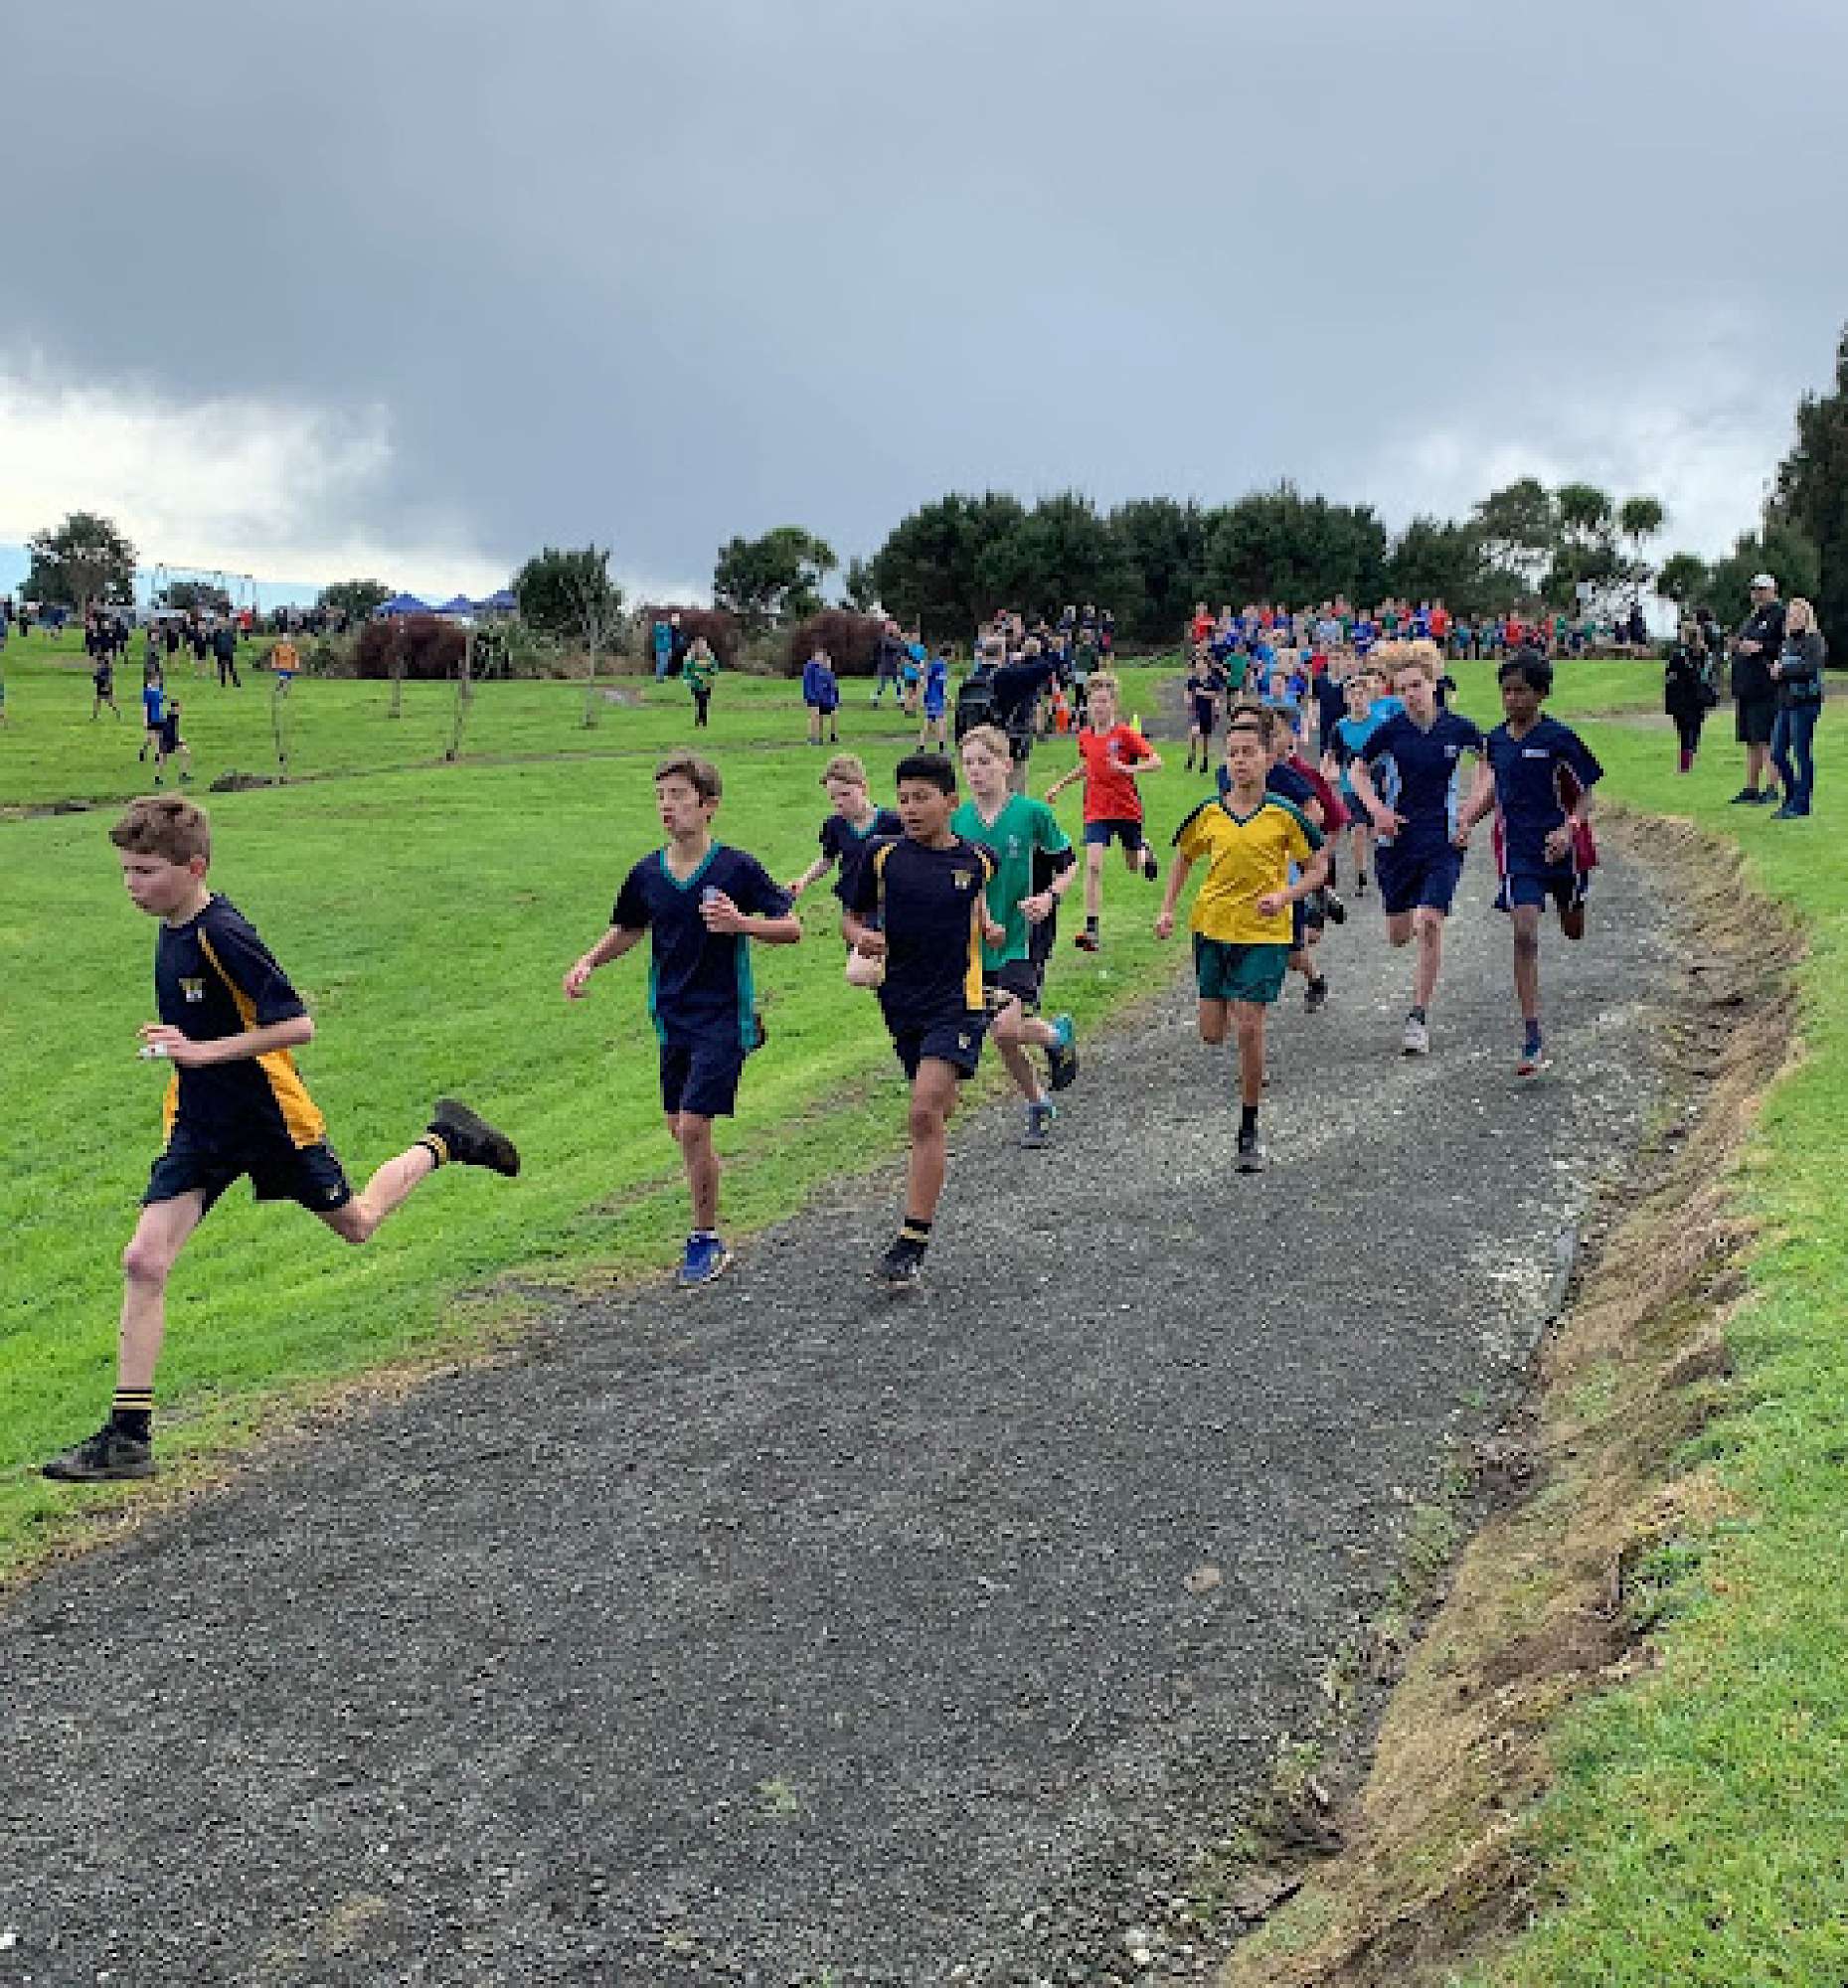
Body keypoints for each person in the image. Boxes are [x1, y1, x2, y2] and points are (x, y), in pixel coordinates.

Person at [40, 795, 521, 1484]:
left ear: (193, 868)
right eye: (125, 870)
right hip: (201, 1124)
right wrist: (181, 1049)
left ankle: (445, 1139)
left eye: (145, 871)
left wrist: (203, 1051)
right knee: (144, 1260)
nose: (131, 885)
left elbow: (297, 1025)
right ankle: (128, 1438)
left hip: (271, 1119)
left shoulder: (223, 933)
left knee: (357, 1224)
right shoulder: (173, 926)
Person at [563, 752, 801, 1287]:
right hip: (672, 1018)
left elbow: (791, 928)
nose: (666, 807)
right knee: (683, 1131)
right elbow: (629, 928)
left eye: (677, 796)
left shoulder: (735, 868)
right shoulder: (647, 873)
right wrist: (588, 961)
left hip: (723, 1015)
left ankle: (705, 1239)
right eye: (660, 797)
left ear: (708, 805)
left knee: (693, 1126)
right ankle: (707, 1194)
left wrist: (741, 924)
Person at [843, 753, 999, 1290]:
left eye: (922, 798)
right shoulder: (880, 855)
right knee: (937, 1108)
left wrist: (993, 930)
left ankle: (911, 1241)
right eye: (903, 798)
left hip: (959, 1001)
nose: (909, 808)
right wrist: (860, 937)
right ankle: (942, 1102)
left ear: (950, 802)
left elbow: (979, 906)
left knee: (923, 1111)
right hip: (900, 1002)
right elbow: (851, 917)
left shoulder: (979, 860)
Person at [1156, 714, 1329, 1171]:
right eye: (1232, 754)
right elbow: (1184, 857)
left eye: (1248, 753)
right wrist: (1167, 909)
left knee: (1250, 1025)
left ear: (1268, 758)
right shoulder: (1210, 813)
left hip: (1264, 934)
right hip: (1212, 929)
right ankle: (1242, 1021)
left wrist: (1286, 896)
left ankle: (1248, 1130)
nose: (1239, 761)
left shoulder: (1284, 814)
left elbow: (1318, 869)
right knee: (1213, 1034)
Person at [1457, 652, 1602, 1077]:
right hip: (1518, 852)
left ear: (1541, 693)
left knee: (1573, 930)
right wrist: (1467, 820)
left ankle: (1573, 899)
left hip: (1562, 851)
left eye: (1521, 691)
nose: (1512, 699)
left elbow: (1586, 794)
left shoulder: (1560, 739)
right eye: (1506, 691)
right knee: (1523, 933)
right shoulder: (1495, 742)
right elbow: (1495, 792)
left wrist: (1569, 829)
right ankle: (1532, 1034)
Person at [1345, 648, 1485, 1056]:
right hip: (1397, 843)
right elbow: (1357, 770)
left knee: (1430, 922)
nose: (1410, 694)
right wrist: (1376, 810)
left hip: (1443, 840)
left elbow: (1487, 761)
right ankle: (1407, 922)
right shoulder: (1390, 732)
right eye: (1403, 688)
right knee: (1399, 934)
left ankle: (1418, 1017)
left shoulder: (1457, 728)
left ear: (1433, 684)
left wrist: (1471, 809)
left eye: (1417, 686)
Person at [951, 726, 1080, 1149]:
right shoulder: (957, 822)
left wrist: (1048, 897)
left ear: (1006, 765)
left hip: (1023, 937)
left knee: (1005, 1030)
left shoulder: (1032, 814)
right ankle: (1050, 1056)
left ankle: (1039, 1096)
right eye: (968, 763)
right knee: (1003, 1034)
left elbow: (1069, 863)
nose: (975, 771)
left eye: (984, 762)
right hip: (977, 943)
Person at [1043, 673, 1162, 952]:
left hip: (1126, 808)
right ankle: (1091, 929)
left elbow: (1156, 761)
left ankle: (1144, 850)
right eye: (1094, 701)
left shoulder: (1125, 734)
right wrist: (1060, 785)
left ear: (1113, 704)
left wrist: (1127, 768)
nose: (1098, 707)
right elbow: (1088, 766)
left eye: (1104, 701)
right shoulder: (1084, 736)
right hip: (1096, 809)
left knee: (1133, 865)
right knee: (1093, 865)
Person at [784, 752, 900, 912]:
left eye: (845, 794)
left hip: (885, 902)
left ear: (863, 788)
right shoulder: (835, 825)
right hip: (852, 902)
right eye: (833, 797)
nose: (839, 802)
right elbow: (827, 859)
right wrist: (803, 881)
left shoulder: (893, 822)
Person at [1728, 573, 1785, 805]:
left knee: (1767, 739)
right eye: (1755, 589)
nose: (1757, 594)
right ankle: (1751, 787)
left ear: (1773, 590)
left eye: (1762, 589)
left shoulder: (1780, 615)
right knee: (1751, 740)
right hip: (1747, 688)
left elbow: (1784, 646)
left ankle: (1772, 788)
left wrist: (1760, 648)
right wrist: (1737, 645)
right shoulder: (1752, 617)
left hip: (1766, 688)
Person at [1769, 596, 1828, 819]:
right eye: (1790, 614)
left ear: (1807, 616)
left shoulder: (1815, 640)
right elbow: (1785, 668)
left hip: (1805, 704)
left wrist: (1783, 670)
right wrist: (1776, 672)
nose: (1793, 618)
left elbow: (1810, 668)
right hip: (1786, 703)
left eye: (1798, 614)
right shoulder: (1787, 642)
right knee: (1777, 753)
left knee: (1801, 753)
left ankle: (1802, 804)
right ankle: (1792, 795)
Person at [1663, 619, 1718, 773]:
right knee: (1694, 729)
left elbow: (1670, 674)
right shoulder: (1706, 655)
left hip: (1681, 698)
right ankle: (1690, 756)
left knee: (1684, 732)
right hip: (1699, 698)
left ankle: (1685, 764)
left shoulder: (1679, 655)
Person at [1183, 647, 1225, 773]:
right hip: (1196, 711)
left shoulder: (1212, 680)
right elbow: (1187, 692)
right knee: (1194, 732)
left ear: (1206, 665)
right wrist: (1188, 699)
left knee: (1205, 737)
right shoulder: (1193, 680)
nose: (1199, 666)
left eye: (1201, 663)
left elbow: (1218, 695)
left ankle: (1205, 761)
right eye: (1197, 664)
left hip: (1208, 711)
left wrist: (1204, 693)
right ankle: (1191, 757)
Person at [800, 643, 841, 746]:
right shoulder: (810, 667)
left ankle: (819, 737)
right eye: (819, 656)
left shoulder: (822, 669)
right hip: (812, 696)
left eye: (822, 656)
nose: (821, 658)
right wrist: (810, 695)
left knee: (820, 717)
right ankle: (813, 737)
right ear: (814, 656)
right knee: (814, 717)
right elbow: (808, 682)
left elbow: (830, 685)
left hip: (822, 697)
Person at [152, 697, 192, 786]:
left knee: (186, 753)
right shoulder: (169, 717)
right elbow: (162, 730)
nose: (181, 709)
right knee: (162, 760)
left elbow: (174, 731)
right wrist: (159, 743)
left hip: (173, 740)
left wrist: (180, 739)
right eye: (179, 707)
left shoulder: (175, 717)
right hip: (166, 742)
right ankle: (157, 778)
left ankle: (183, 775)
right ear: (174, 708)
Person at [919, 644, 950, 751]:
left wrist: (946, 696)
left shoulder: (944, 666)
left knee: (930, 723)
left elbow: (942, 684)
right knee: (940, 722)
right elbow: (925, 679)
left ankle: (922, 747)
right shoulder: (937, 665)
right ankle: (941, 748)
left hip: (938, 698)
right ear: (948, 655)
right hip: (933, 698)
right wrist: (925, 695)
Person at [683, 636, 717, 728]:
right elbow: (687, 669)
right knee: (699, 700)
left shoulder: (709, 656)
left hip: (706, 682)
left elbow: (714, 669)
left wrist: (710, 670)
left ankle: (703, 719)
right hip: (696, 683)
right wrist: (688, 679)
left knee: (704, 701)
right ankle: (699, 719)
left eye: (702, 644)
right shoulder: (691, 656)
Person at [138, 670, 166, 762]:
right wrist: (145, 719)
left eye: (159, 679)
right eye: (157, 679)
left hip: (158, 717)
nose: (158, 681)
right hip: (150, 717)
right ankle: (145, 750)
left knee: (158, 736)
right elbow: (145, 706)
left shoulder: (159, 691)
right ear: (151, 680)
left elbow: (160, 705)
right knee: (151, 738)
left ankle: (157, 754)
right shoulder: (147, 691)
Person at [92, 647, 121, 720]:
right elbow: (97, 675)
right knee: (98, 700)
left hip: (104, 684)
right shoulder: (100, 665)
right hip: (100, 683)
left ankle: (117, 712)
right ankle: (95, 715)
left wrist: (107, 685)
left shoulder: (106, 666)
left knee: (108, 701)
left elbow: (107, 676)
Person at [212, 622, 241, 689]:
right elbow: (214, 644)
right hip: (220, 653)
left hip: (228, 653)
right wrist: (215, 653)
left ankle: (235, 682)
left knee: (231, 669)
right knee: (222, 668)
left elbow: (234, 642)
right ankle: (223, 683)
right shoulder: (216, 633)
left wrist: (232, 650)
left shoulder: (229, 633)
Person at [651, 613, 674, 683]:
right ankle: (659, 678)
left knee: (665, 664)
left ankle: (661, 677)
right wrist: (663, 628)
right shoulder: (658, 627)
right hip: (660, 649)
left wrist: (670, 648)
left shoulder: (667, 628)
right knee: (660, 663)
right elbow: (658, 634)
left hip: (667, 649)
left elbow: (669, 638)